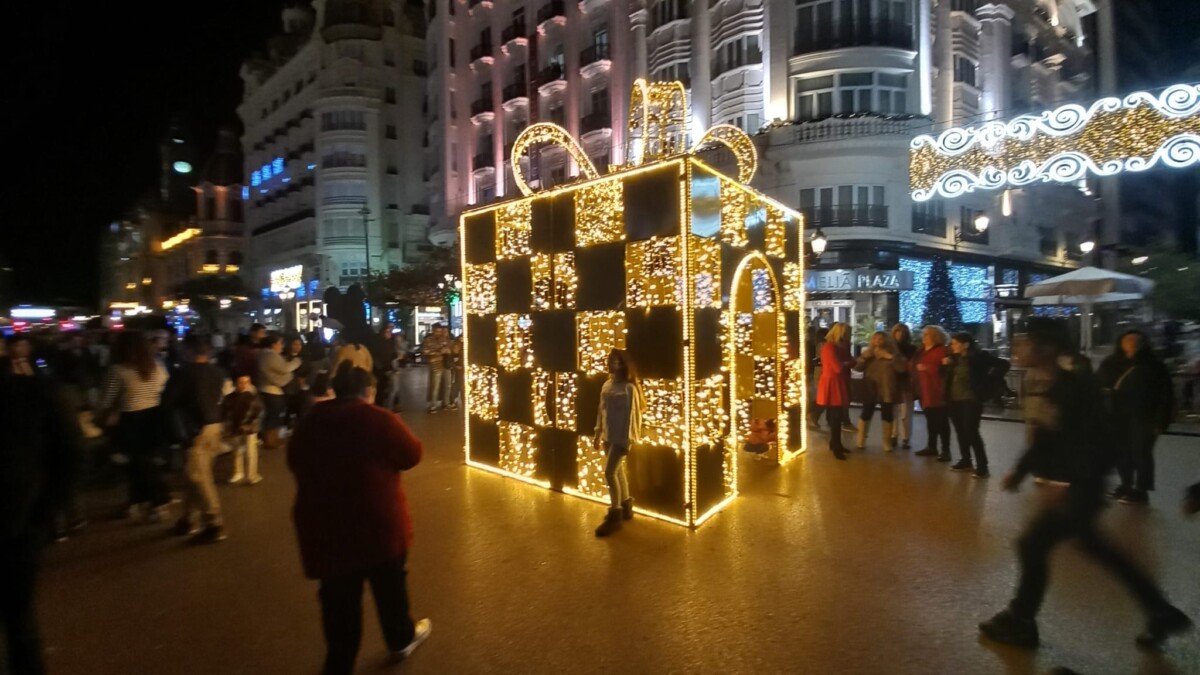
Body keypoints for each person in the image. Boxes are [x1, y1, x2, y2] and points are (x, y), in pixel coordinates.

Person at [979, 318, 1192, 650]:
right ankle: (1160, 611)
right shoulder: (1058, 380)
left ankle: (1021, 619)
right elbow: (1048, 435)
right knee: (1092, 549)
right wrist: (1021, 472)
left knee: (1037, 545)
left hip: (1082, 486)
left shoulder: (1074, 385)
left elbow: (1099, 441)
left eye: (1025, 341)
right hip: (1079, 486)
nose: (1019, 348)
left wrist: (1070, 485)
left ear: (1046, 347)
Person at [287, 367, 430, 675]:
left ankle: (340, 662)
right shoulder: (379, 419)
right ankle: (400, 638)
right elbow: (412, 454)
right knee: (391, 587)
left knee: (339, 603)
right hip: (378, 525)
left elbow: (295, 463)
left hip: (326, 529)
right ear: (369, 391)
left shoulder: (309, 423)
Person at [1, 364, 82, 675]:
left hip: (17, 527)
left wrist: (42, 516)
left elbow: (73, 455)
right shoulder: (38, 391)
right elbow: (73, 453)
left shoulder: (35, 391)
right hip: (20, 524)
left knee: (19, 620)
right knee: (20, 622)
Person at [100, 330, 172, 522]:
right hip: (155, 417)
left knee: (139, 464)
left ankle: (158, 503)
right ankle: (137, 502)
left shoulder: (118, 371)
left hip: (131, 421)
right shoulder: (157, 367)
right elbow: (165, 389)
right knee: (144, 462)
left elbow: (106, 400)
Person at [1096, 330, 1173, 506]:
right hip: (1117, 416)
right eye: (1128, 340)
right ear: (1121, 343)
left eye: (1135, 340)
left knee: (1141, 453)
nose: (1132, 344)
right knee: (1123, 452)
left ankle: (1141, 489)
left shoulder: (1153, 366)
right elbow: (1097, 384)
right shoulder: (1111, 363)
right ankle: (1126, 485)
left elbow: (1165, 395)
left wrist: (1161, 420)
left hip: (1144, 417)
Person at [163, 337, 228, 544]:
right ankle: (188, 518)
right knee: (197, 473)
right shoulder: (218, 372)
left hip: (194, 429)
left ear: (189, 351)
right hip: (215, 426)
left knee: (198, 476)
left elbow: (167, 402)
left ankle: (214, 522)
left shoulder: (183, 374)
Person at [943, 333, 1009, 479]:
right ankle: (965, 460)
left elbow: (1004, 364)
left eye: (955, 343)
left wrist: (989, 380)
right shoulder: (954, 359)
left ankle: (982, 466)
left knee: (971, 431)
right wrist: (944, 365)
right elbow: (945, 376)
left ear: (965, 345)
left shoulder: (979, 357)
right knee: (960, 431)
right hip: (954, 400)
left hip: (971, 399)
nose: (952, 346)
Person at [593, 349, 644, 537]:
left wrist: (628, 440)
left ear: (623, 364)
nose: (612, 364)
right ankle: (625, 506)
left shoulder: (628, 388)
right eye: (611, 360)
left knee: (610, 472)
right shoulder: (607, 385)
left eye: (616, 361)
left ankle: (615, 514)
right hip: (608, 434)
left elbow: (633, 416)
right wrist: (597, 433)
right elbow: (601, 410)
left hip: (621, 437)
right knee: (618, 471)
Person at [853, 330, 908, 452]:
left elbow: (902, 368)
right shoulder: (868, 353)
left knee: (887, 414)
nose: (877, 341)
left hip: (887, 388)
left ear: (886, 340)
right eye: (875, 338)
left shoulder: (894, 353)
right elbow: (857, 368)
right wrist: (863, 358)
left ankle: (887, 443)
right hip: (870, 387)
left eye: (880, 339)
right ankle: (860, 440)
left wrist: (890, 357)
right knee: (866, 412)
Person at [913, 326, 952, 462]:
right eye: (924, 334)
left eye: (927, 335)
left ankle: (946, 450)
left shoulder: (942, 351)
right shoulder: (922, 351)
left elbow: (945, 370)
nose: (924, 337)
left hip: (937, 392)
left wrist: (927, 368)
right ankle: (932, 446)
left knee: (941, 422)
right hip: (925, 392)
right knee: (931, 421)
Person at [258, 335, 302, 450]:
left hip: (269, 389)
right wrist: (297, 361)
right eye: (280, 343)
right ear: (273, 344)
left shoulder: (264, 354)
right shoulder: (270, 355)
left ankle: (272, 439)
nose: (282, 346)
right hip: (272, 390)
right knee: (274, 416)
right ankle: (271, 441)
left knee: (272, 416)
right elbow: (284, 368)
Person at [816, 322, 852, 460]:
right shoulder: (829, 347)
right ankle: (836, 446)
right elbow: (838, 368)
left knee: (835, 416)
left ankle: (835, 444)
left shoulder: (837, 347)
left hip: (836, 382)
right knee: (835, 417)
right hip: (832, 383)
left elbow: (845, 364)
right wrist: (848, 363)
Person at [223, 375, 264, 485]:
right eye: (241, 382)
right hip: (236, 427)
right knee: (237, 450)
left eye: (246, 382)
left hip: (249, 428)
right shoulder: (231, 397)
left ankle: (252, 475)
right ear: (236, 383)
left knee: (251, 451)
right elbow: (227, 412)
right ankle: (238, 472)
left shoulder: (253, 397)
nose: (244, 384)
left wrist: (249, 424)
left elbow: (258, 412)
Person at [891, 323, 918, 449]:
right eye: (898, 332)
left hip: (906, 383)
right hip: (893, 382)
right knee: (893, 411)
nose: (900, 334)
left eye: (902, 332)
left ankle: (905, 438)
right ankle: (893, 435)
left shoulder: (911, 349)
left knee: (906, 412)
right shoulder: (890, 347)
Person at [373, 323, 403, 412]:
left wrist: (397, 356)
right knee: (382, 389)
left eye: (390, 331)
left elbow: (393, 353)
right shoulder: (378, 341)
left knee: (393, 388)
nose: (389, 333)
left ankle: (388, 408)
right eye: (387, 331)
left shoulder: (392, 341)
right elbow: (376, 355)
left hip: (390, 368)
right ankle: (382, 407)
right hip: (381, 369)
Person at [422, 325, 452, 412]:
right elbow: (425, 351)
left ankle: (446, 403)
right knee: (435, 385)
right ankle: (433, 404)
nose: (438, 333)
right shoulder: (428, 340)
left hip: (446, 365)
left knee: (448, 384)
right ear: (433, 331)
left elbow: (451, 349)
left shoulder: (444, 339)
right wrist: (438, 352)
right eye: (437, 331)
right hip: (435, 365)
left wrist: (448, 350)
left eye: (440, 331)